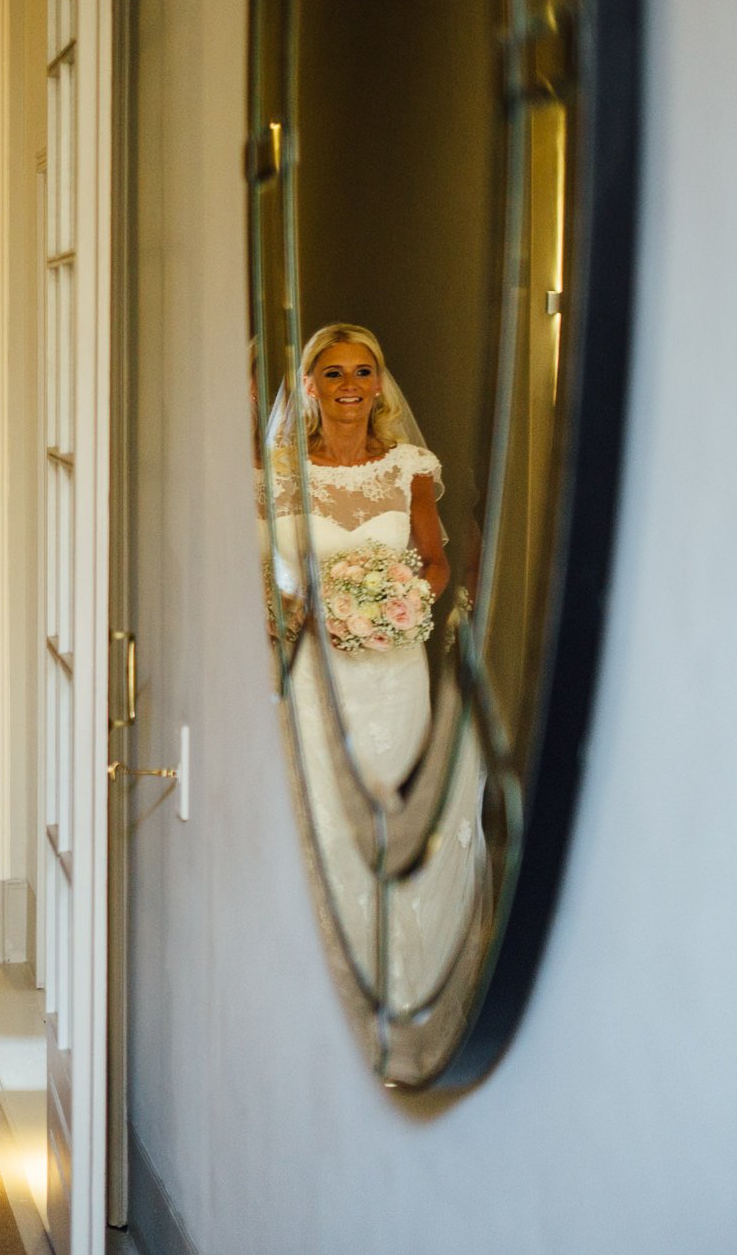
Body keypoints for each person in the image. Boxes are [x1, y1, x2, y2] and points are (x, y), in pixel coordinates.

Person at [264, 322, 487, 1012]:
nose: (350, 387)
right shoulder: (281, 471)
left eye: (363, 371)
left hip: (395, 670)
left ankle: (401, 973)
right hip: (316, 670)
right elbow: (270, 567)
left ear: (380, 382)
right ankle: (323, 975)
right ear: (310, 385)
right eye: (334, 373)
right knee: (324, 808)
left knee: (396, 803)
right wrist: (297, 606)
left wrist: (405, 598)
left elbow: (436, 557)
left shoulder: (409, 467)